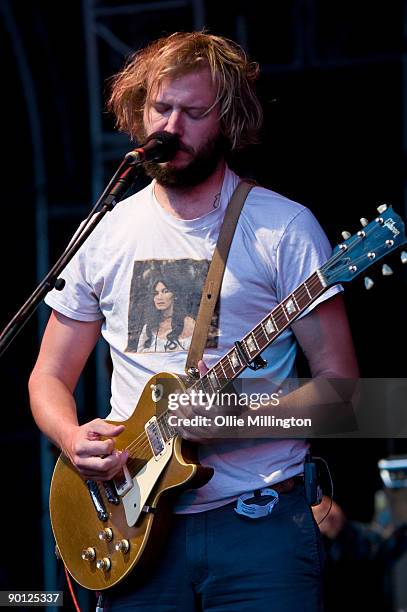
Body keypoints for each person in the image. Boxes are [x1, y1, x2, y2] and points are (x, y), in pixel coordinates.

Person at [28, 31, 359, 611]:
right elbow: (47, 377)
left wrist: (233, 417)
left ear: (227, 119)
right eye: (161, 108)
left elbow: (347, 397)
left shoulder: (284, 228)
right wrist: (71, 436)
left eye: (194, 111)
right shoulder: (106, 232)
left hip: (259, 527)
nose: (171, 127)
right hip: (132, 525)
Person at [137, 277, 195, 352]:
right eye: (156, 293)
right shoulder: (148, 327)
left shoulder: (189, 324)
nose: (159, 297)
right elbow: (139, 356)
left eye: (165, 291)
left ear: (175, 295)